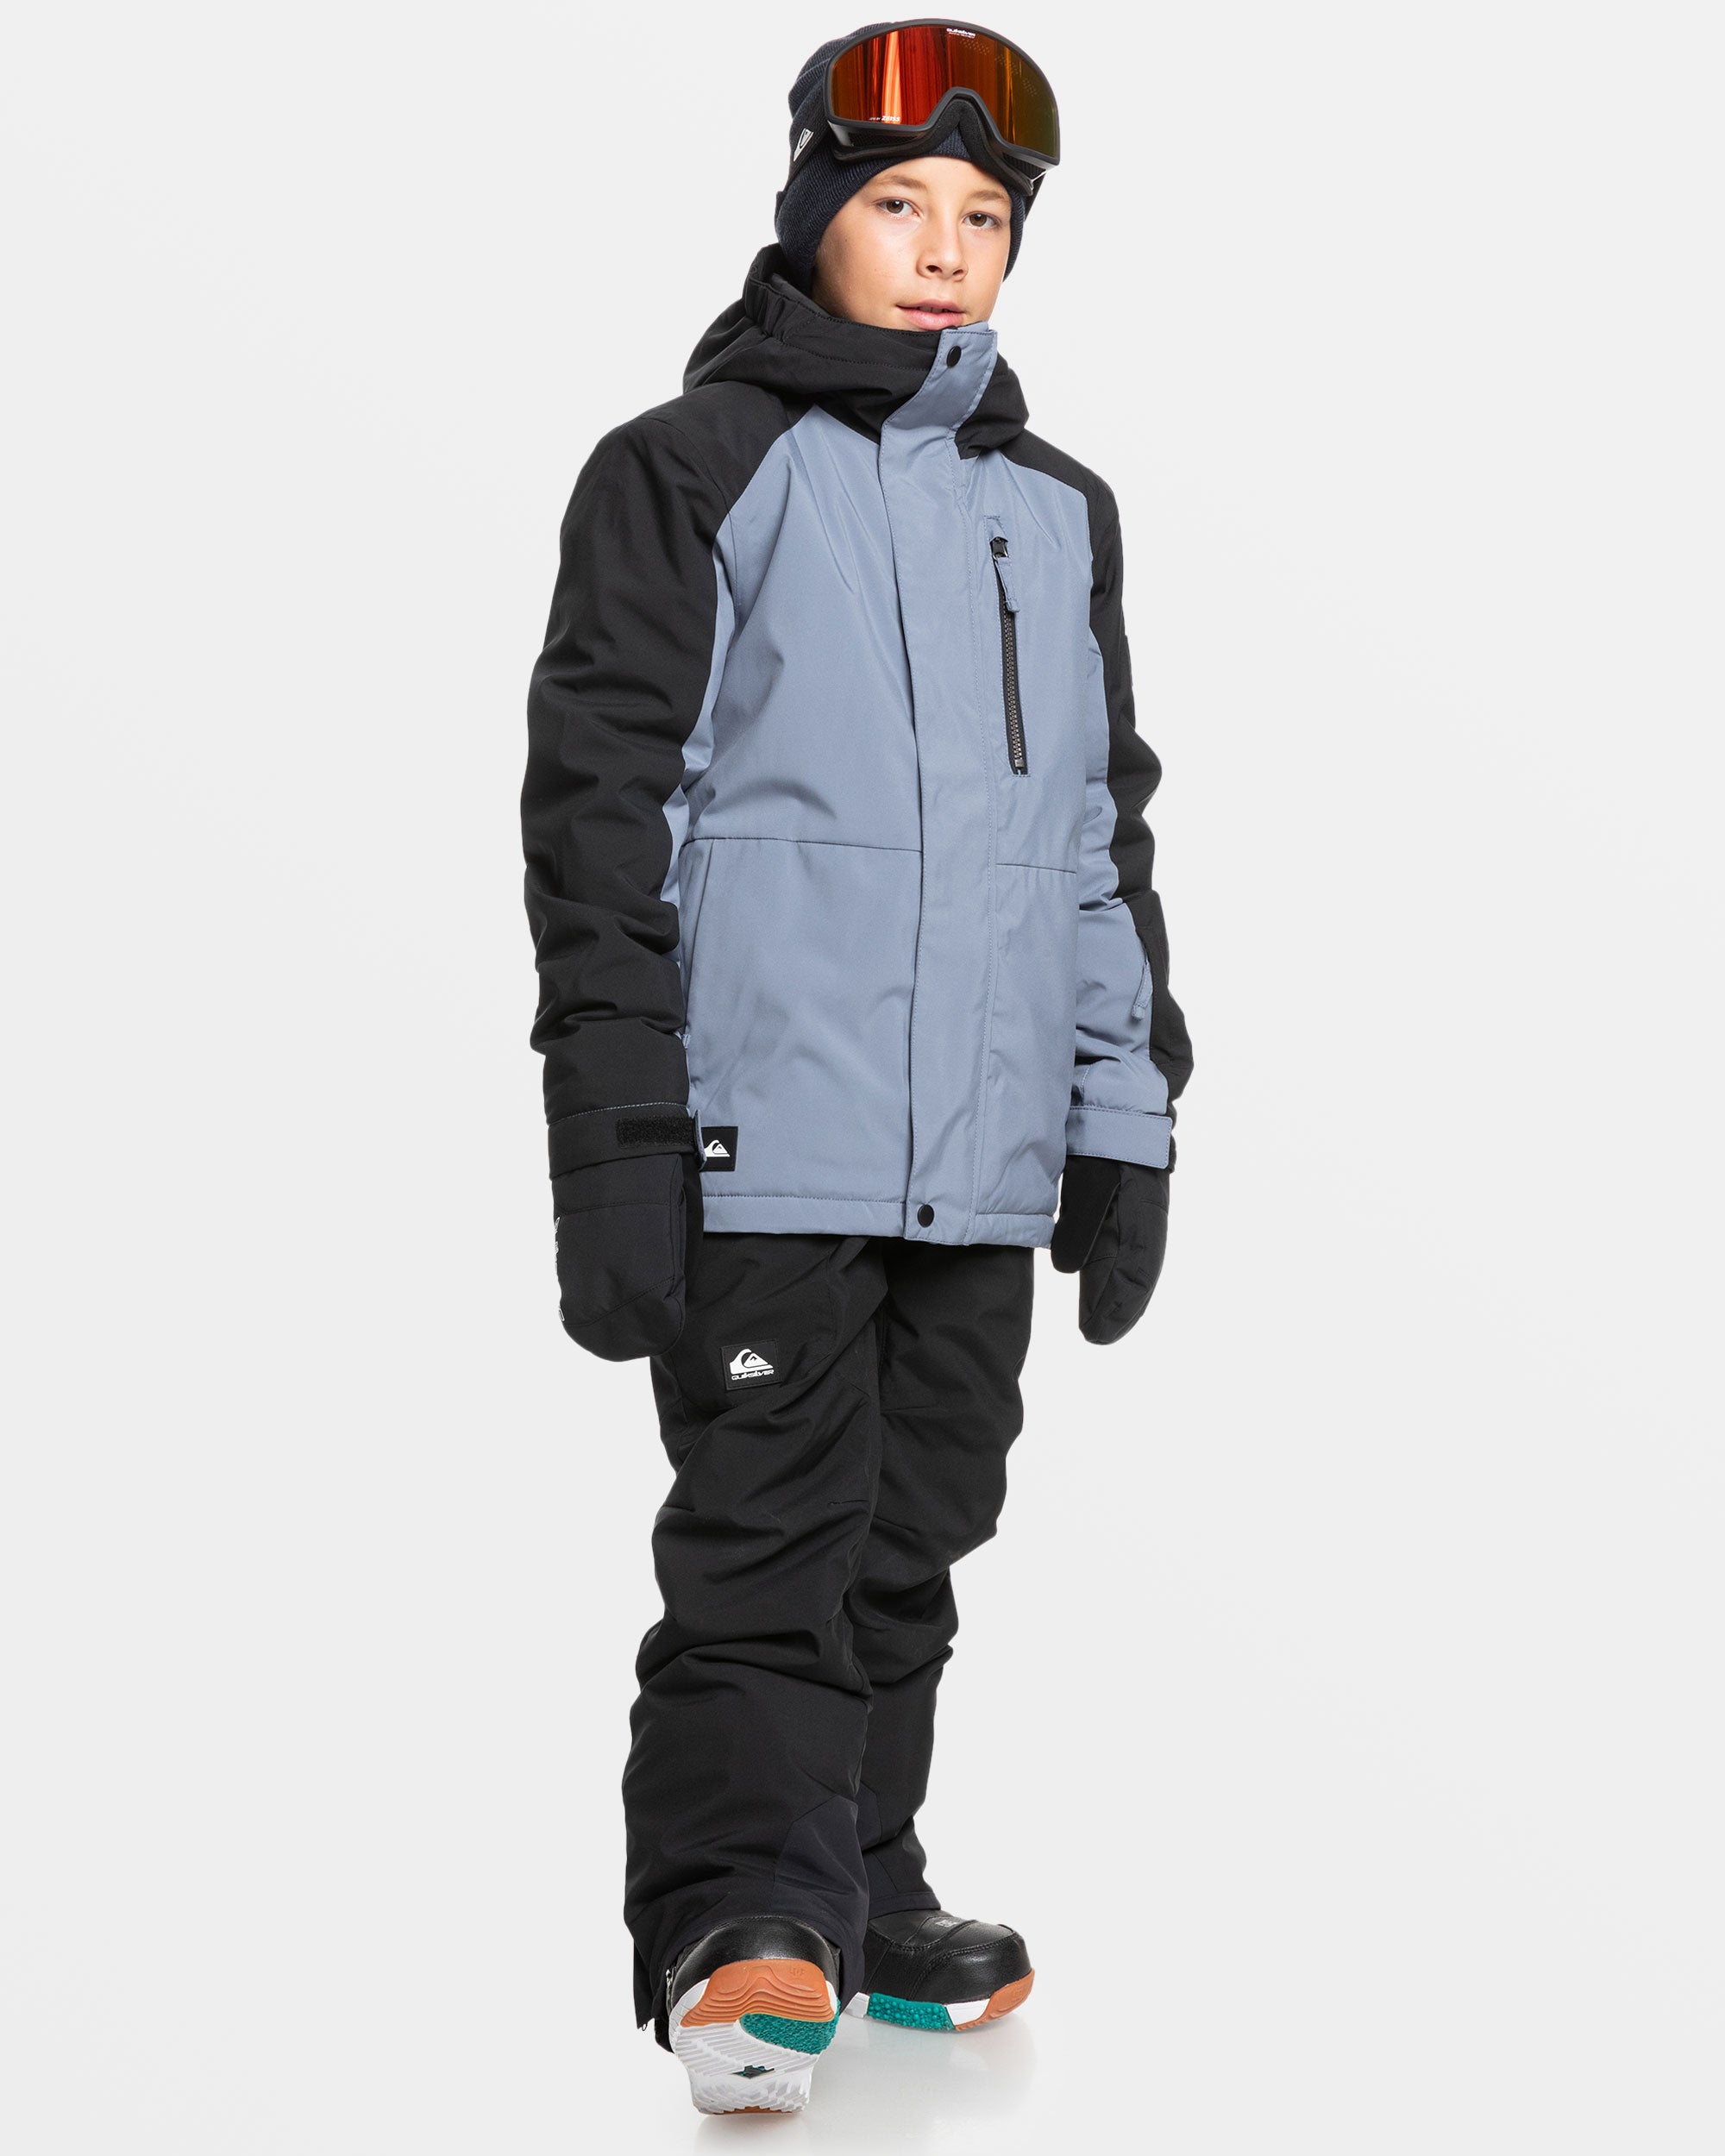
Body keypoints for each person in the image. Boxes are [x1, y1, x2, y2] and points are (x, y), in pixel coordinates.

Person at [521, 22, 1192, 2116]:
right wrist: (615, 1134)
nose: (943, 248)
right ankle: (741, 1917)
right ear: (815, 210)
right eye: (899, 203)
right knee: (769, 1539)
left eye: (983, 215)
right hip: (765, 1142)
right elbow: (599, 819)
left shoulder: (1054, 513)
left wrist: (1120, 1117)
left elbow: (1094, 838)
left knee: (916, 1533)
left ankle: (860, 1876)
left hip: (976, 1158)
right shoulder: (687, 469)